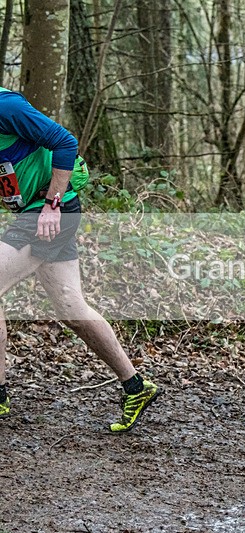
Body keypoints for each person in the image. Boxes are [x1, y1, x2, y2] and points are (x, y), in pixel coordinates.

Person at [0, 87, 159, 431]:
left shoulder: (6, 106)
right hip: (35, 214)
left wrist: (51, 205)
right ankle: (136, 386)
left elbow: (66, 142)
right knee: (71, 307)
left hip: (49, 212)